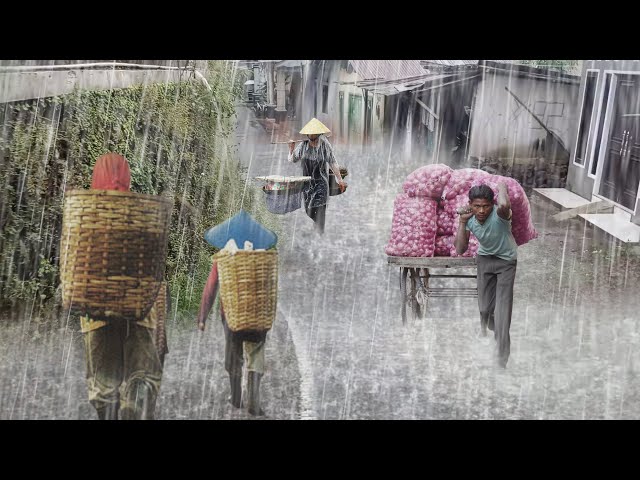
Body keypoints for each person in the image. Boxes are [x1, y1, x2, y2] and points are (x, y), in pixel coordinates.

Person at [81, 152, 164, 420]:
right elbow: (155, 265)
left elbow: (73, 267)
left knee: (103, 383)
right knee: (141, 375)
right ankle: (133, 404)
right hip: (138, 311)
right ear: (127, 179)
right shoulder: (143, 214)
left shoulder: (84, 218)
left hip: (96, 313)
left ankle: (109, 407)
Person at [197, 210, 278, 417]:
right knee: (256, 355)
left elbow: (211, 287)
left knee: (233, 358)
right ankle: (254, 401)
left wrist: (202, 317)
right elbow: (269, 287)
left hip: (233, 316)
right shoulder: (261, 256)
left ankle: (235, 397)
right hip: (258, 316)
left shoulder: (224, 258)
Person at [454, 182, 518, 368]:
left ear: (493, 204)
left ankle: (501, 360)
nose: (481, 210)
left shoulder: (500, 215)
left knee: (503, 312)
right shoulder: (469, 218)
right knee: (484, 310)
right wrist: (463, 221)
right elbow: (460, 248)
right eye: (477, 206)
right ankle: (494, 326)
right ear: (470, 205)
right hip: (484, 260)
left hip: (506, 262)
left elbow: (505, 205)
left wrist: (502, 188)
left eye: (486, 206)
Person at [288, 118, 346, 234]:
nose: (311, 134)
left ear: (319, 133)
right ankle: (318, 226)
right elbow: (292, 160)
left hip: (321, 184)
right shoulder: (303, 145)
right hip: (307, 184)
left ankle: (320, 235)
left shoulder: (325, 145)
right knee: (309, 210)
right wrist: (291, 149)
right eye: (309, 132)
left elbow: (333, 162)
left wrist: (339, 180)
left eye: (313, 132)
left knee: (320, 210)